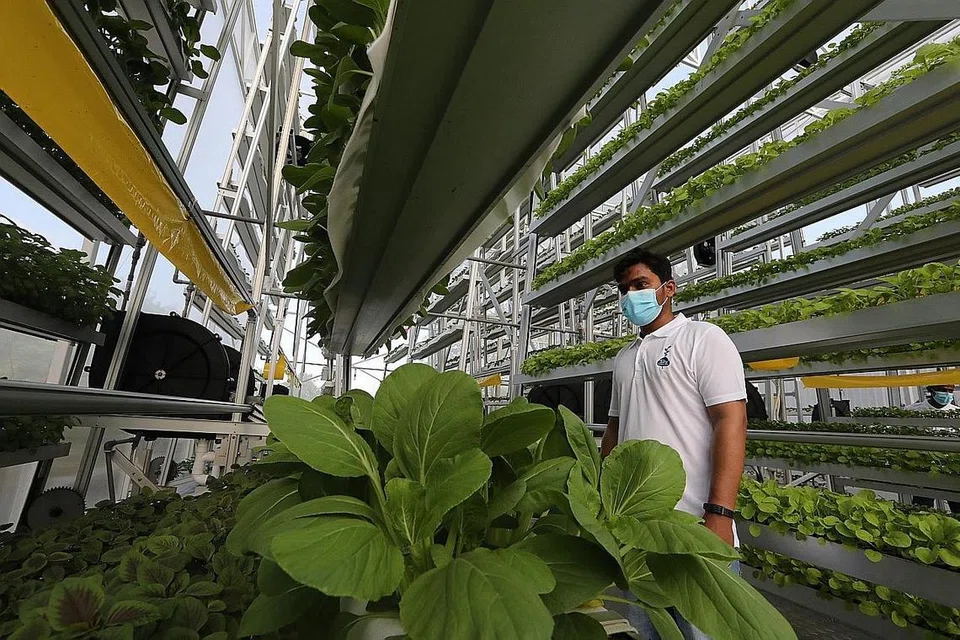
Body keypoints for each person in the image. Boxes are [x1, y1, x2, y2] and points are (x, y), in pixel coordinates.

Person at [600, 249, 747, 640]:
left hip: (693, 527)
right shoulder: (624, 358)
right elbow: (615, 431)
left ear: (668, 289)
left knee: (704, 632)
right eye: (624, 289)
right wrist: (600, 501)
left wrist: (719, 513)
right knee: (643, 631)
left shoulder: (702, 338)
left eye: (640, 285)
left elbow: (731, 421)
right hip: (635, 532)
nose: (631, 296)